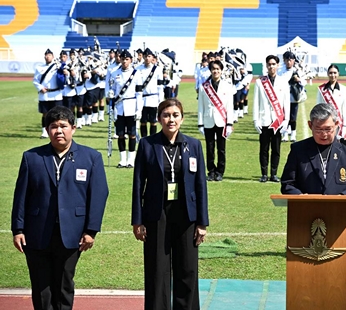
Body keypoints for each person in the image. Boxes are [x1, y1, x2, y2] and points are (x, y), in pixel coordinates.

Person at [12, 106, 109, 310]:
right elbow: (21, 196)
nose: (58, 131)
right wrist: (18, 229)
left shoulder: (91, 157)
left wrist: (91, 230)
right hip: (37, 232)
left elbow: (99, 195)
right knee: (41, 286)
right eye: (53, 126)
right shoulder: (32, 157)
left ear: (73, 128)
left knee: (64, 283)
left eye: (63, 126)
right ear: (47, 130)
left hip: (72, 233)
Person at [132, 98, 209, 310]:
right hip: (156, 214)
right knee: (158, 269)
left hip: (186, 214)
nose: (171, 120)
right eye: (166, 115)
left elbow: (201, 186)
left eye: (175, 115)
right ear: (159, 119)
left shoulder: (193, 145)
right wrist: (137, 220)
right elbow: (138, 184)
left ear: (182, 119)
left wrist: (202, 222)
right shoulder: (147, 144)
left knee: (187, 268)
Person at [281, 103, 346, 195]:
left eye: (328, 129)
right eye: (318, 129)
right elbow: (287, 183)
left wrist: (341, 198)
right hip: (307, 204)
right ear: (310, 125)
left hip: (340, 204)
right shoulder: (298, 149)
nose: (324, 134)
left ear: (336, 124)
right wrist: (301, 197)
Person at [254, 55, 290, 182]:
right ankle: (264, 174)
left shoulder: (283, 82)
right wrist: (256, 120)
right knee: (263, 149)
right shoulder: (260, 82)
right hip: (264, 121)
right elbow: (256, 102)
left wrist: (286, 120)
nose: (271, 66)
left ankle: (274, 174)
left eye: (274, 64)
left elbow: (286, 103)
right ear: (266, 66)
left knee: (276, 149)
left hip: (278, 121)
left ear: (278, 65)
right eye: (269, 64)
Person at [198, 60, 236, 181]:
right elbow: (201, 106)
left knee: (221, 149)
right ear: (210, 70)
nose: (215, 71)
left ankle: (220, 171)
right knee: (209, 148)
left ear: (221, 70)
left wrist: (229, 123)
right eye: (213, 69)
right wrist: (200, 124)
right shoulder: (204, 87)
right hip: (208, 120)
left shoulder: (227, 86)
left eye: (218, 69)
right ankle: (211, 171)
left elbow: (230, 106)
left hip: (222, 121)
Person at [107, 50, 143, 168]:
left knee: (132, 135)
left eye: (127, 59)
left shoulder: (136, 74)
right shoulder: (115, 73)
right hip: (119, 107)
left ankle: (131, 160)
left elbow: (139, 93)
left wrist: (139, 109)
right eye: (123, 59)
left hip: (131, 105)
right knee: (120, 134)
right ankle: (122, 159)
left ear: (131, 60)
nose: (124, 61)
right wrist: (110, 93)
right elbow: (112, 88)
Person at [33, 48, 64, 138]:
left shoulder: (58, 66)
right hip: (45, 94)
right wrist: (40, 88)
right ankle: (45, 132)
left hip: (56, 94)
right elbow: (35, 80)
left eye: (49, 55)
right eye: (46, 55)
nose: (47, 57)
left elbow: (64, 76)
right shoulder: (39, 68)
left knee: (57, 114)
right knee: (45, 114)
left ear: (53, 56)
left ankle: (57, 130)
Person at [136, 48, 165, 138]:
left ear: (152, 57)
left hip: (153, 99)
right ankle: (144, 139)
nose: (147, 58)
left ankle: (152, 140)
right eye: (145, 56)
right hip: (142, 99)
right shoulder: (138, 69)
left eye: (149, 56)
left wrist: (160, 100)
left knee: (153, 121)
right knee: (143, 122)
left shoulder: (157, 70)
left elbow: (160, 87)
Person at [279, 51, 305, 142]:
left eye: (291, 60)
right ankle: (285, 134)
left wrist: (298, 80)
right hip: (283, 97)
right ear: (284, 60)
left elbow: (304, 82)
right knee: (284, 116)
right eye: (287, 60)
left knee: (293, 117)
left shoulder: (297, 70)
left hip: (293, 97)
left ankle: (293, 134)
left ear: (294, 60)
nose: (289, 62)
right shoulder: (280, 70)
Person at [316, 64, 346, 138]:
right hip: (325, 122)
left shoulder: (344, 89)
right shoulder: (322, 89)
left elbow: (345, 109)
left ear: (338, 74)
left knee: (338, 143)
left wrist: (344, 125)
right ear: (328, 74)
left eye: (335, 73)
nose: (333, 75)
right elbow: (318, 107)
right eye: (330, 73)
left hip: (338, 122)